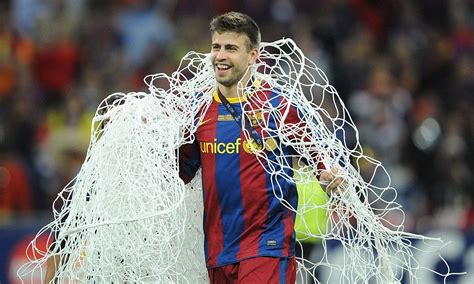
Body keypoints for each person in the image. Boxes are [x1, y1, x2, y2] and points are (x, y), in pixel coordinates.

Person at [178, 11, 342, 284]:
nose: (220, 55)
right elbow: (179, 172)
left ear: (253, 55)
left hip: (267, 245)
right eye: (216, 47)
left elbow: (318, 155)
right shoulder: (198, 110)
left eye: (231, 48)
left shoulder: (278, 105)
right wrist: (133, 133)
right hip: (218, 252)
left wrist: (327, 174)